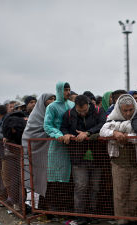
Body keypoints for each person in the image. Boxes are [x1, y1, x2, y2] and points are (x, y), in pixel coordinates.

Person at [60, 95, 106, 220]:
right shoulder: (68, 114)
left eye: (85, 111)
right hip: (78, 156)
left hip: (97, 155)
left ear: (89, 105)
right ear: (75, 107)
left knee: (95, 186)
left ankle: (93, 213)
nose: (82, 113)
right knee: (81, 186)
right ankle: (79, 215)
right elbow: (63, 127)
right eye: (79, 111)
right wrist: (66, 134)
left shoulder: (98, 111)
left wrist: (88, 133)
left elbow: (103, 124)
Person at [100, 94, 137, 225]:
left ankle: (133, 220)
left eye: (131, 110)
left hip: (136, 164)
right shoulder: (111, 121)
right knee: (120, 194)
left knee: (135, 195)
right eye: (125, 110)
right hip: (119, 163)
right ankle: (122, 221)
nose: (128, 113)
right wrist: (115, 133)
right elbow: (103, 131)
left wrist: (125, 136)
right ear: (119, 110)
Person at [44, 82, 74, 210]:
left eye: (69, 90)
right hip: (57, 146)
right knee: (55, 178)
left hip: (72, 145)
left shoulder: (72, 105)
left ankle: (67, 209)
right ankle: (54, 209)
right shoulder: (52, 107)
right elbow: (47, 125)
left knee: (70, 179)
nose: (67, 92)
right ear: (59, 91)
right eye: (65, 90)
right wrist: (58, 135)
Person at [21, 93, 55, 208]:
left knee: (41, 177)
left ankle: (36, 206)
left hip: (44, 152)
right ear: (43, 101)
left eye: (54, 99)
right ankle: (30, 204)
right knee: (30, 176)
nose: (52, 101)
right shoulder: (35, 115)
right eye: (50, 99)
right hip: (31, 149)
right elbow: (31, 133)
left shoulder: (51, 113)